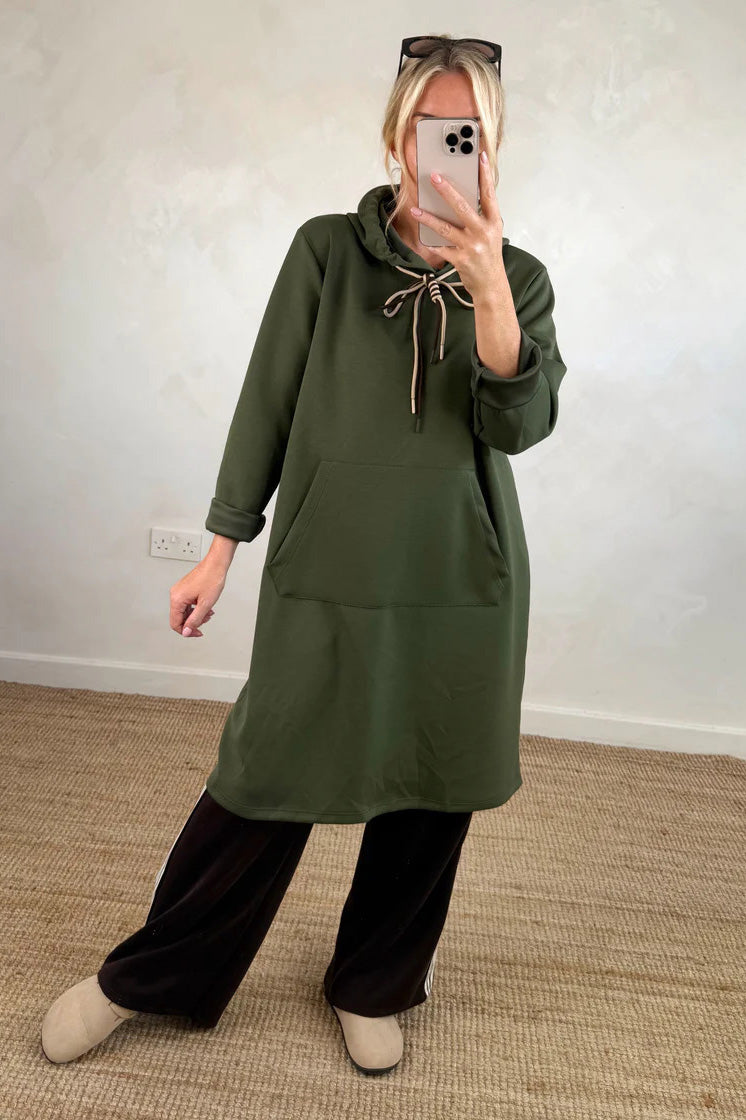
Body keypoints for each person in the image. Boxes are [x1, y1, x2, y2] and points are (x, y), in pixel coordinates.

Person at [41, 33, 567, 1076]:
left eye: (465, 131)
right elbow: (267, 401)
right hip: (325, 566)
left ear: (493, 143)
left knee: (431, 782)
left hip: (461, 578)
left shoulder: (520, 277)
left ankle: (374, 982)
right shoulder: (324, 252)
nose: (444, 146)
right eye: (429, 127)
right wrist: (219, 548)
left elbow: (519, 424)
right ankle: (149, 978)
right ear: (396, 135)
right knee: (265, 774)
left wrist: (487, 287)